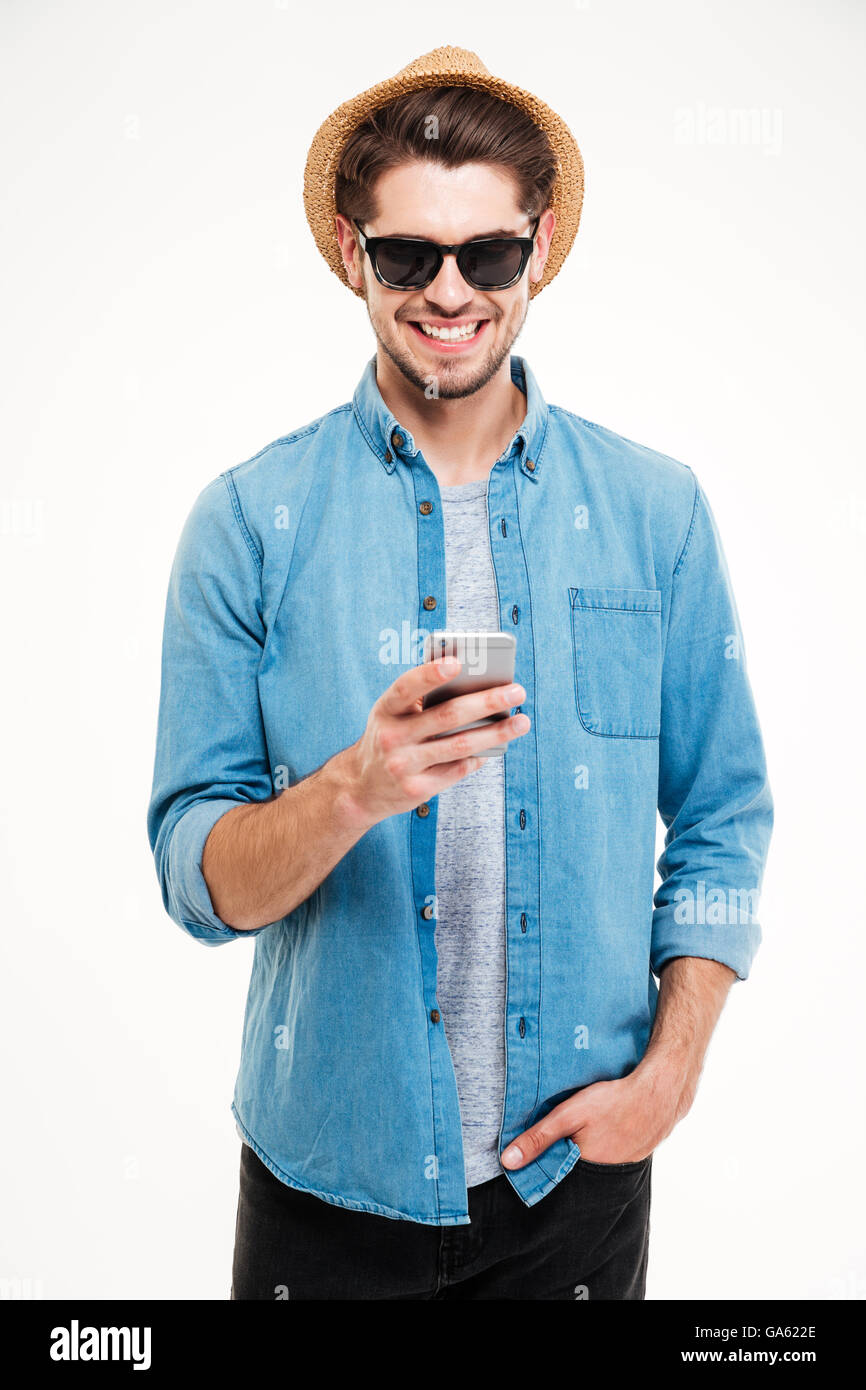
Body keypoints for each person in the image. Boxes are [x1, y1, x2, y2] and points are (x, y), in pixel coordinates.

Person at [147, 46, 773, 1300]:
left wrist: (671, 1071)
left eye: (485, 253)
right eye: (406, 256)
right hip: (327, 1183)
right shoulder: (248, 522)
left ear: (536, 249)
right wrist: (351, 792)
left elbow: (721, 816)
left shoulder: (657, 513)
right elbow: (192, 874)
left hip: (572, 1194)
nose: (449, 292)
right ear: (347, 250)